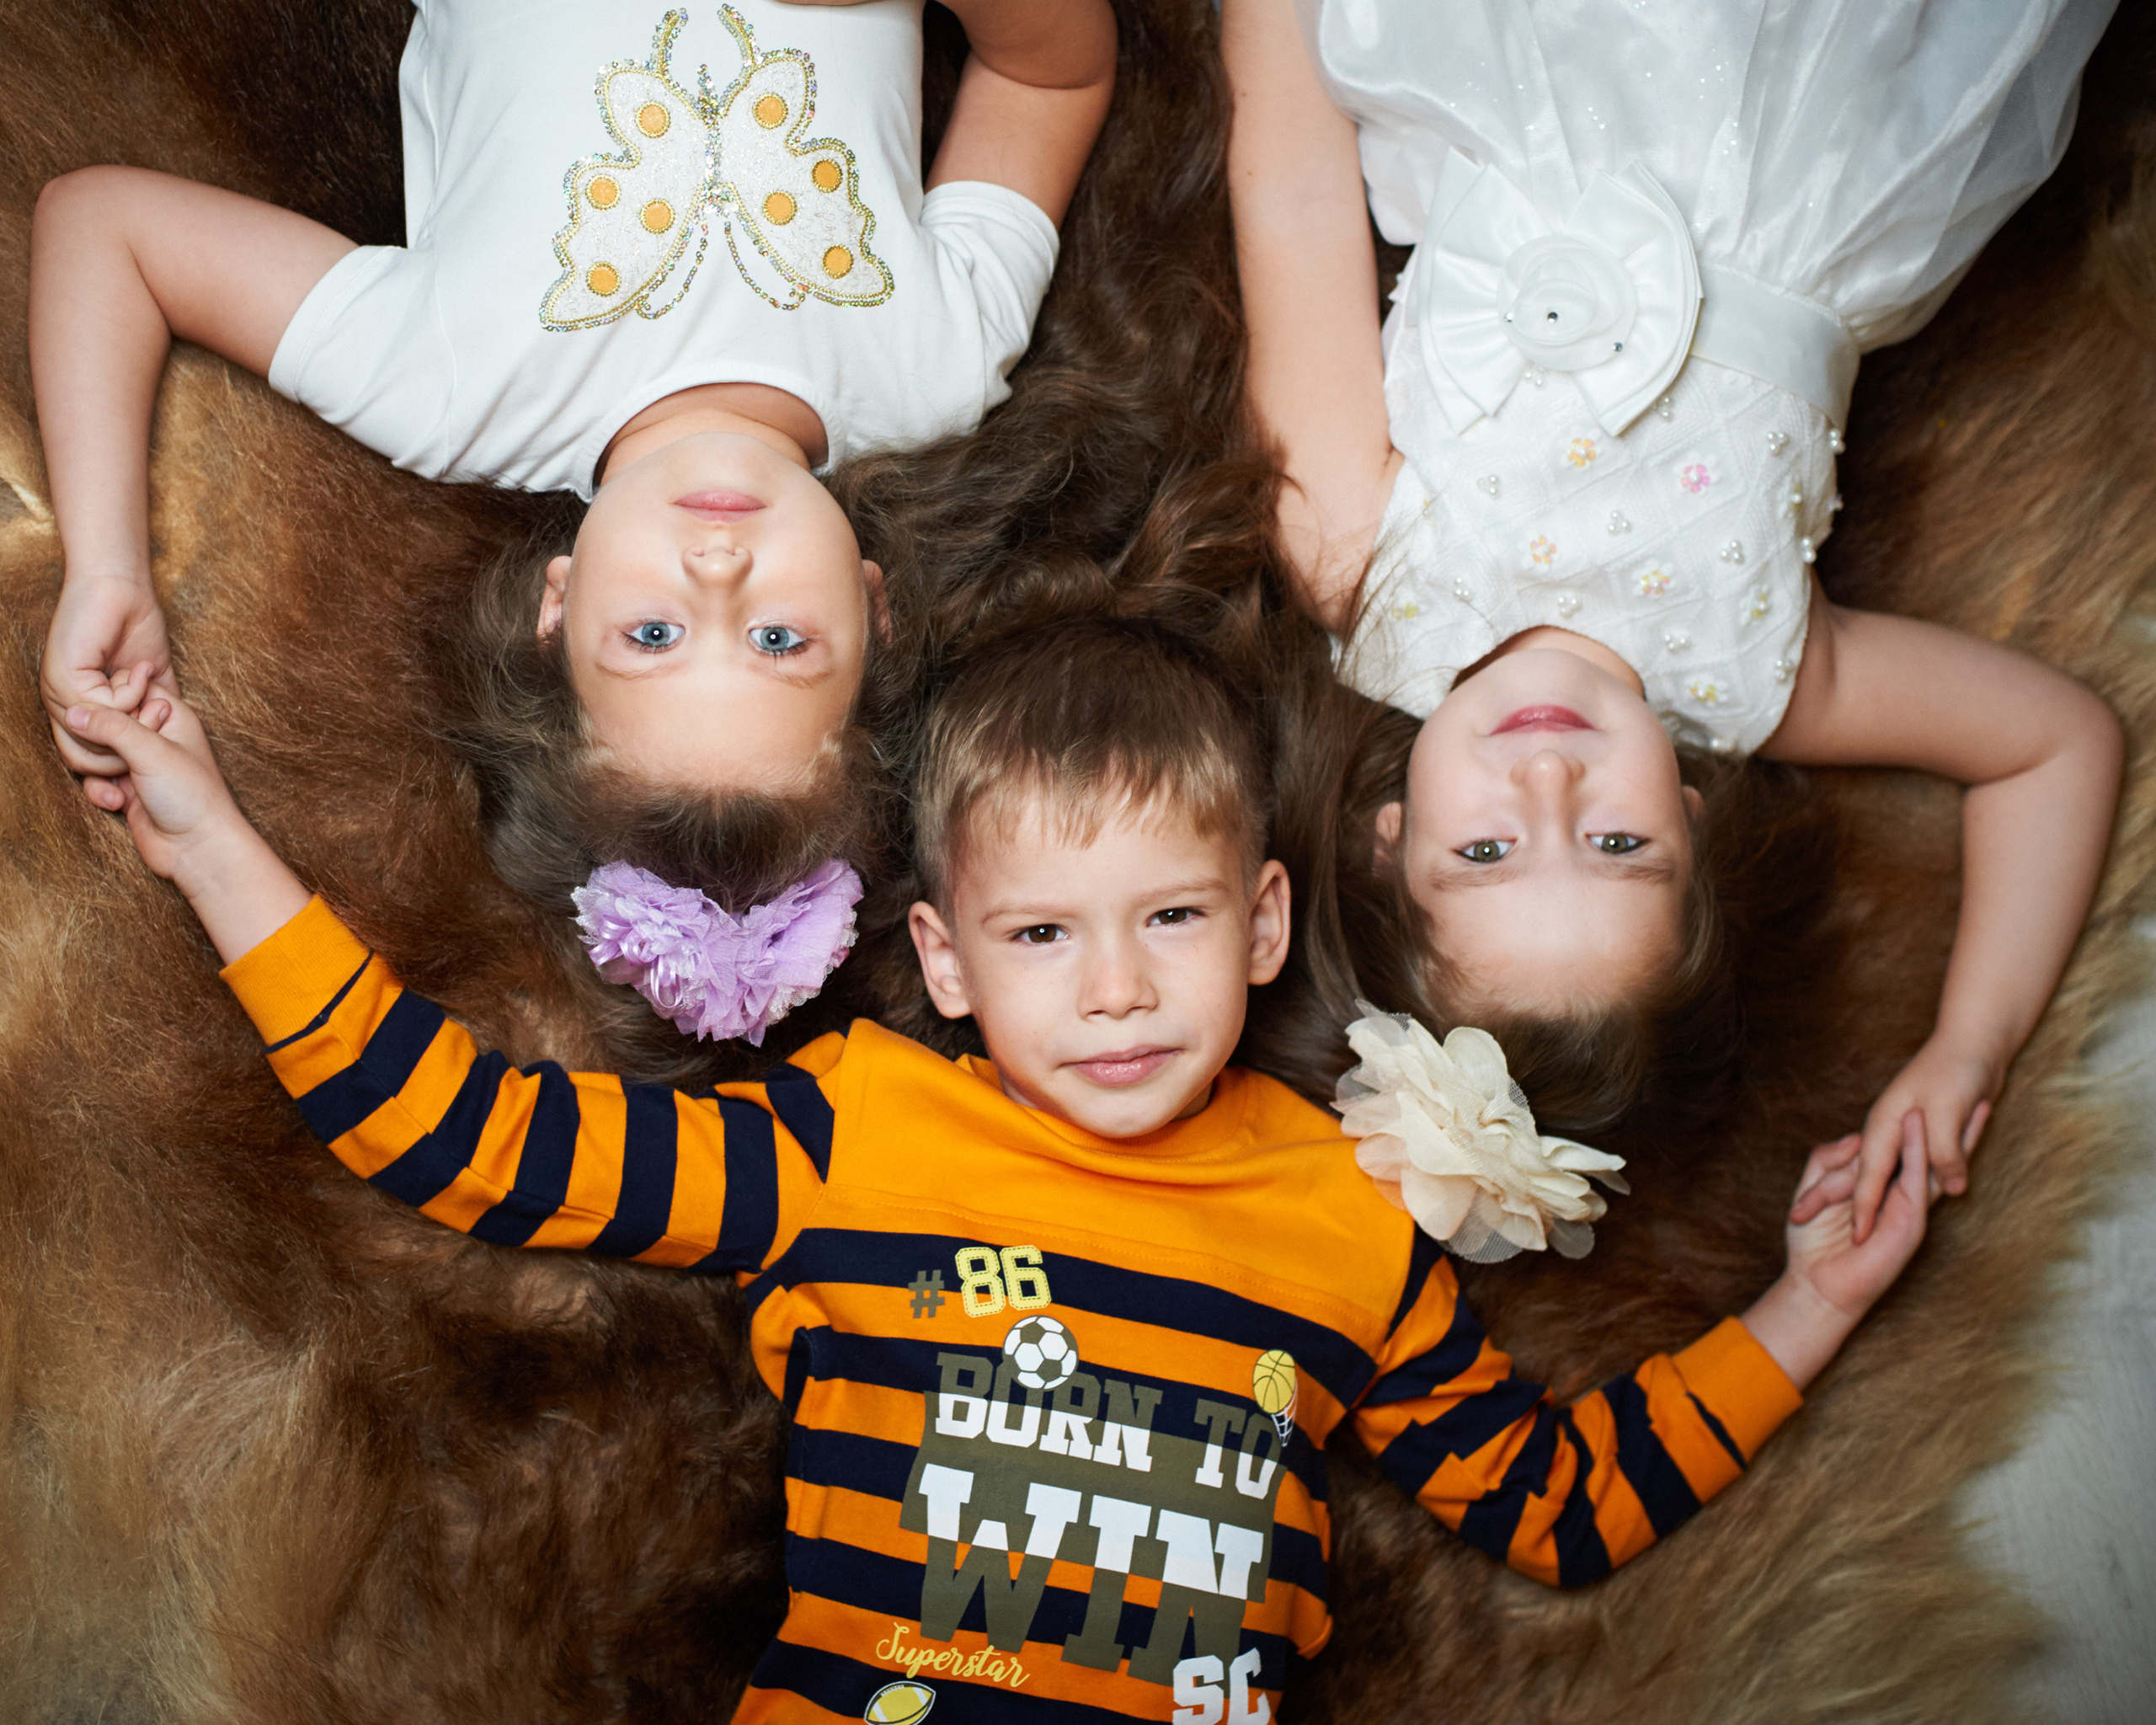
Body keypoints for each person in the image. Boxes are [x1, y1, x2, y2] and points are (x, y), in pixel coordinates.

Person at [63, 615, 1932, 1720]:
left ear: (1266, 920)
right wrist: (217, 848)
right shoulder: (856, 1126)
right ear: (945, 962)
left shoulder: (1347, 1209)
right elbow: (472, 1140)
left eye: (1171, 916)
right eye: (1041, 936)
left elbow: (1553, 1503)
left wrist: (1810, 1299)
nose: (1115, 989)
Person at [33, 0, 1115, 1044]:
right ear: (876, 609)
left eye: (652, 637)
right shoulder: (940, 364)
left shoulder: (453, 394)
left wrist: (109, 566)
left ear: (556, 604)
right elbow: (1049, 67)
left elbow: (103, 226)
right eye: (778, 642)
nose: (718, 569)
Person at [1226, 0, 2125, 1236]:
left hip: (1539, 67)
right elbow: (2055, 744)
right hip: (1823, 137)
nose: (1550, 783)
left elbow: (1294, 200)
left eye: (1485, 855)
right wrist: (1970, 1046)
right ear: (1693, 824)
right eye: (1619, 847)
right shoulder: (1764, 675)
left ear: (1390, 841)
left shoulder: (1355, 565)